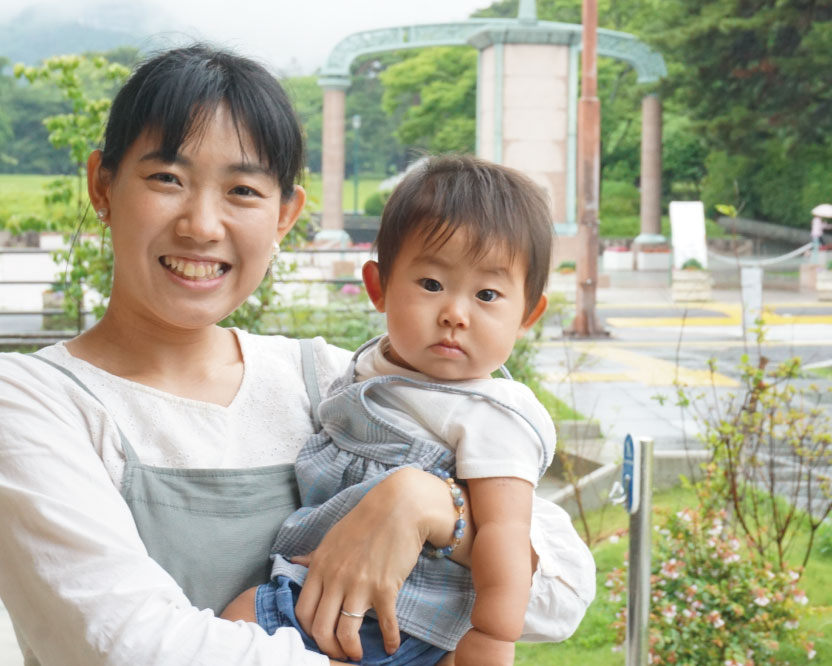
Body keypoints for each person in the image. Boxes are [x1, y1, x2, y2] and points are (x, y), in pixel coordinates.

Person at [0, 45, 589, 666]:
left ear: (286, 215)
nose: (201, 224)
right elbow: (128, 648)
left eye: (244, 192)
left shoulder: (332, 381)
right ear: (102, 185)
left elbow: (560, 594)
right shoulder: (27, 399)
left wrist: (426, 505)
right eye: (166, 178)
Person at [224, 156, 595, 665]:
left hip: (403, 618)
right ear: (378, 287)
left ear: (528, 314)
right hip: (335, 594)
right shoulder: (367, 372)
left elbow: (506, 533)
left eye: (487, 294)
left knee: (237, 624)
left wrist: (489, 638)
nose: (455, 315)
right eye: (431, 284)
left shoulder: (491, 414)